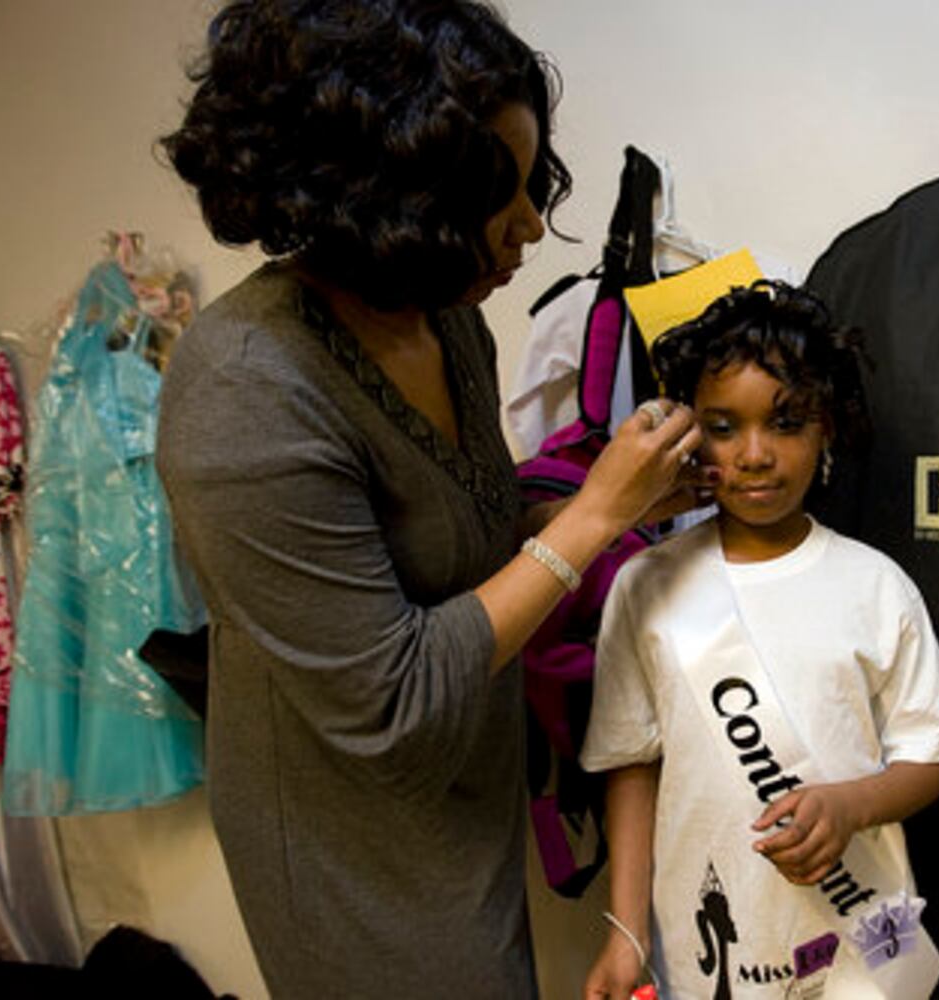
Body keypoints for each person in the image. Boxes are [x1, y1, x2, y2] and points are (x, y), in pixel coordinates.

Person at [155, 2, 704, 997]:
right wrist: (587, 520)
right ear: (376, 194)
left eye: (530, 182)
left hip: (464, 795)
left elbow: (466, 548)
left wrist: (624, 504)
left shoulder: (446, 327)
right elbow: (393, 703)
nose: (532, 223)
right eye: (493, 193)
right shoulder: (243, 387)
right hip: (348, 837)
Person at [579, 282, 939, 999]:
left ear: (827, 428)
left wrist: (852, 805)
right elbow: (630, 765)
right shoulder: (645, 585)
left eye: (786, 422)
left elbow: (933, 757)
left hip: (866, 938)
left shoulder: (876, 585)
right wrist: (625, 932)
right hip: (711, 944)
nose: (755, 454)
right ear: (691, 431)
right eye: (724, 427)